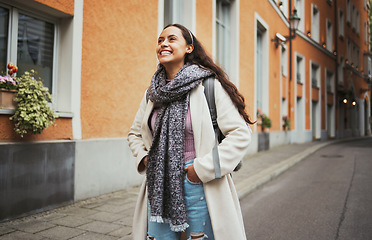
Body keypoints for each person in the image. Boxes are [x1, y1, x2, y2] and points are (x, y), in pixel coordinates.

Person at [128, 23, 253, 240]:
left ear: (189, 48)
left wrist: (200, 170)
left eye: (171, 39)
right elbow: (134, 134)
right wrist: (148, 159)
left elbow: (240, 134)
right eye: (160, 40)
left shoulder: (207, 86)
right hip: (160, 183)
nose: (163, 43)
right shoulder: (152, 93)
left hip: (199, 181)